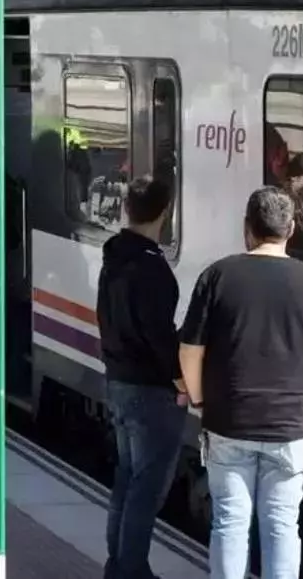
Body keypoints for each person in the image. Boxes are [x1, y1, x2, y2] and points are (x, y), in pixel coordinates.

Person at [179, 186, 303, 579]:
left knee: (229, 521)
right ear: (291, 229)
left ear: (247, 228)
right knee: (282, 525)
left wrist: (201, 400)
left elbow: (189, 350)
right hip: (290, 424)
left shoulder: (218, 276)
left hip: (229, 420)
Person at [96, 176, 188, 579]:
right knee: (146, 488)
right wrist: (182, 381)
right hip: (151, 391)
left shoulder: (114, 257)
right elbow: (159, 336)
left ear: (127, 209)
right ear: (165, 213)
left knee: (126, 479)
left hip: (118, 380)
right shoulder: (151, 268)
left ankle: (117, 564)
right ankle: (132, 569)